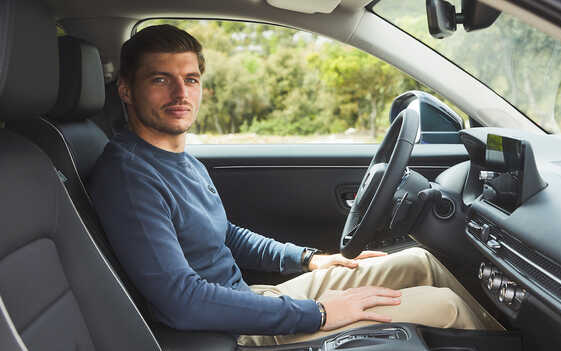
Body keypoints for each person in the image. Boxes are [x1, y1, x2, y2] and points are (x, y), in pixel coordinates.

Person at [88, 24, 498, 346]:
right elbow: (181, 301)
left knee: (418, 262)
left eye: (191, 79)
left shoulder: (177, 158)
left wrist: (310, 259)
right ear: (126, 89)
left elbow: (224, 234)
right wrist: (318, 313)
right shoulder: (128, 176)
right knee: (442, 306)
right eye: (161, 79)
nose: (181, 93)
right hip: (231, 329)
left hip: (249, 299)